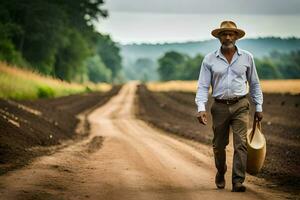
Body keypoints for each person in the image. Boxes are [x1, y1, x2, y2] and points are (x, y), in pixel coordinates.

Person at [195, 21, 263, 192]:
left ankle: (238, 181)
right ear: (219, 37)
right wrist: (201, 107)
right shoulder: (209, 59)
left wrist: (259, 107)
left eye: (231, 34)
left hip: (241, 104)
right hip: (219, 107)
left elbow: (254, 83)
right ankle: (220, 170)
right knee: (219, 145)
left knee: (241, 144)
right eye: (224, 34)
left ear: (236, 37)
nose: (227, 37)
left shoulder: (247, 57)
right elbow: (203, 86)